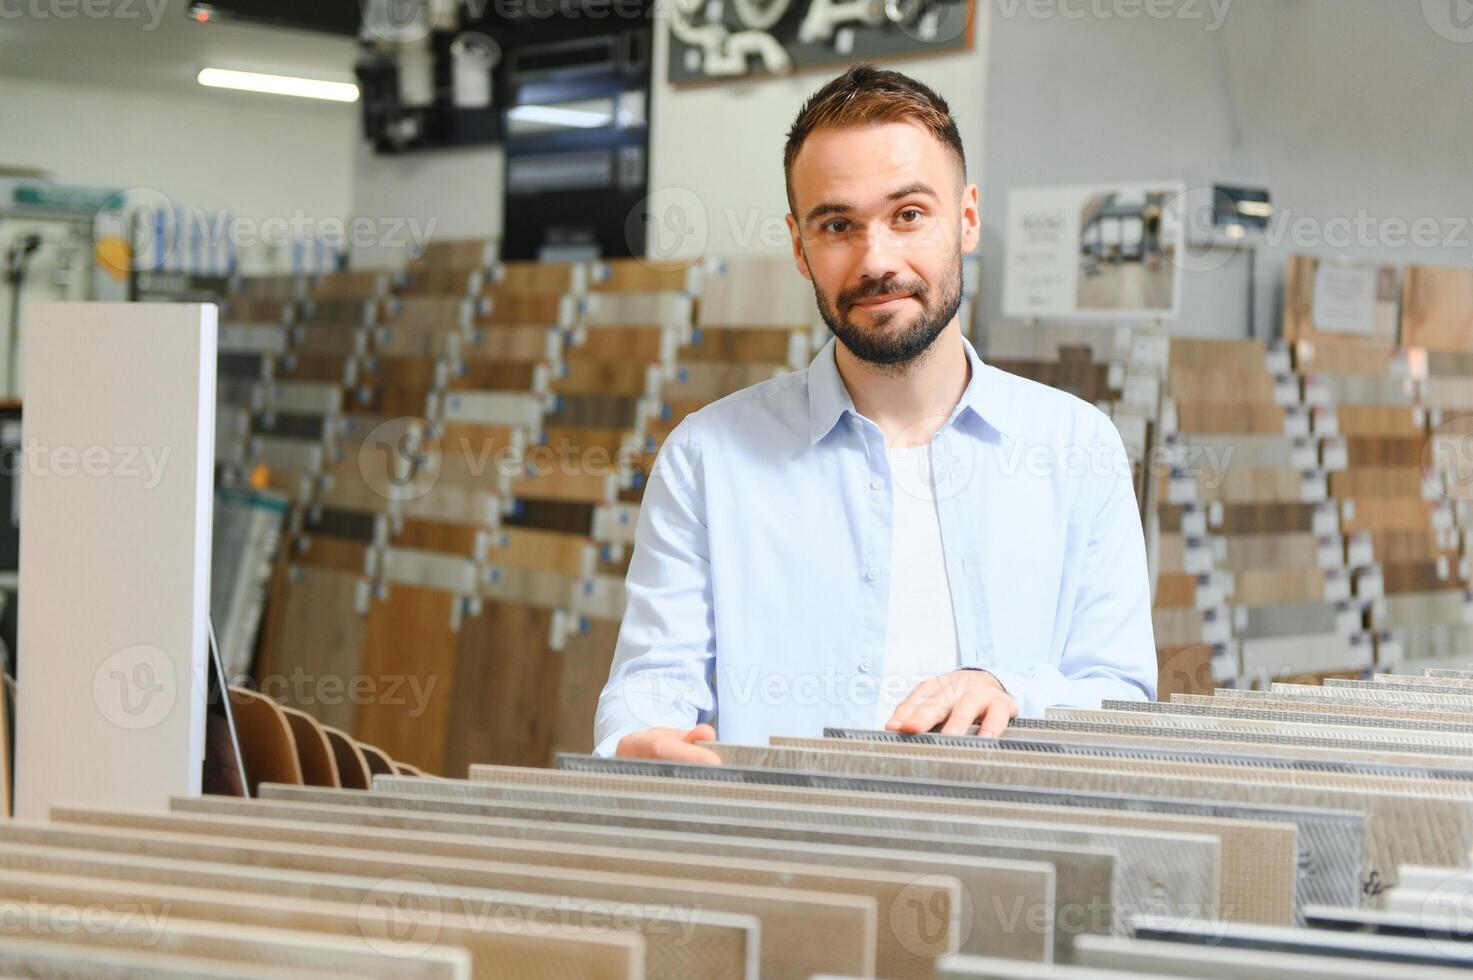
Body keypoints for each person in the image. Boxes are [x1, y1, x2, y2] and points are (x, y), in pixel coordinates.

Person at [593, 64, 1156, 764]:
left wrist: (1013, 689)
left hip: (1004, 861)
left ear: (968, 219)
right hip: (779, 858)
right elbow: (652, 682)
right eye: (837, 225)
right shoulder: (706, 457)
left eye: (909, 214)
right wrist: (633, 741)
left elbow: (1121, 690)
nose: (875, 259)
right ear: (800, 247)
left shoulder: (1077, 447)